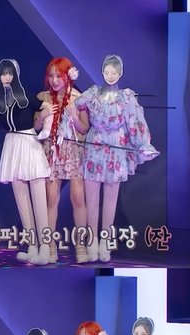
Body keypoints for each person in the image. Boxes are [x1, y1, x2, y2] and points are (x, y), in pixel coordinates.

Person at [74, 55, 159, 262]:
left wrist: (143, 144)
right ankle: (92, 241)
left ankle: (105, 242)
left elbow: (135, 122)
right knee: (91, 199)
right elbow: (77, 103)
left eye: (114, 72)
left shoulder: (126, 97)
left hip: (115, 148)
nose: (110, 76)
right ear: (102, 72)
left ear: (120, 74)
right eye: (107, 72)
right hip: (95, 146)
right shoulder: (93, 93)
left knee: (110, 199)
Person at [0, 59, 50, 265]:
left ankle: (45, 249)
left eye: (10, 73)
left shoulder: (26, 95)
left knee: (39, 199)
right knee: (21, 199)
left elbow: (47, 108)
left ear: (16, 75)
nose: (7, 77)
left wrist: (46, 125)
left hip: (29, 143)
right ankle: (32, 246)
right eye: (3, 73)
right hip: (12, 144)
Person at [35, 58, 88, 264]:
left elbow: (84, 128)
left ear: (68, 76)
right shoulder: (44, 97)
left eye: (59, 75)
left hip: (73, 150)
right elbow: (36, 127)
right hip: (51, 150)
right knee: (51, 199)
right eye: (51, 75)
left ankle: (81, 245)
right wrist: (42, 116)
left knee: (78, 198)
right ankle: (49, 246)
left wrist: (74, 116)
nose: (54, 80)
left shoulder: (79, 98)